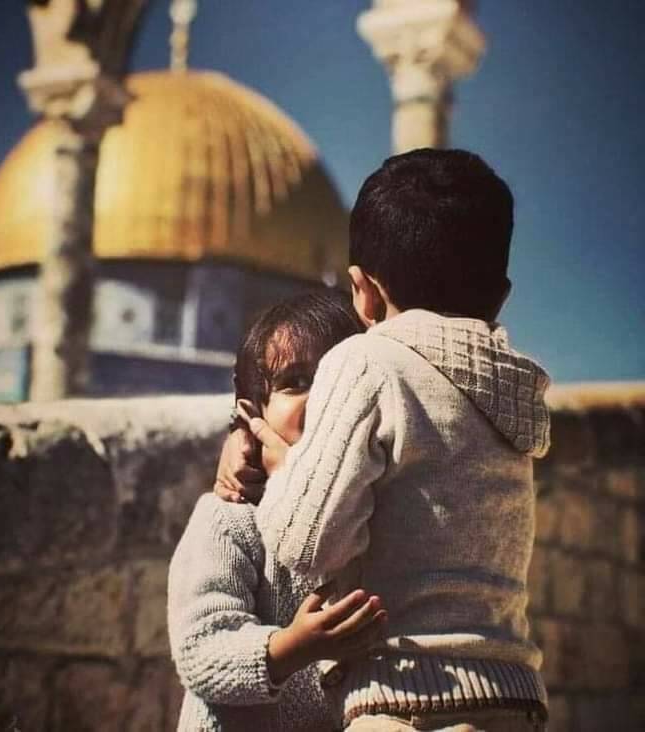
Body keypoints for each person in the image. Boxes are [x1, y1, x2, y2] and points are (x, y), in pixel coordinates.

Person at [219, 149, 551, 731]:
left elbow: (304, 542)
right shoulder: (512, 387)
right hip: (512, 699)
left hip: (407, 698)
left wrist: (282, 464)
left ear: (363, 291)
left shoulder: (367, 361)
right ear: (501, 294)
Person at [168, 290, 389, 732]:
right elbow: (199, 648)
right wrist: (290, 648)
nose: (321, 397)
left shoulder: (378, 513)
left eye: (338, 379)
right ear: (254, 412)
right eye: (296, 382)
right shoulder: (230, 519)